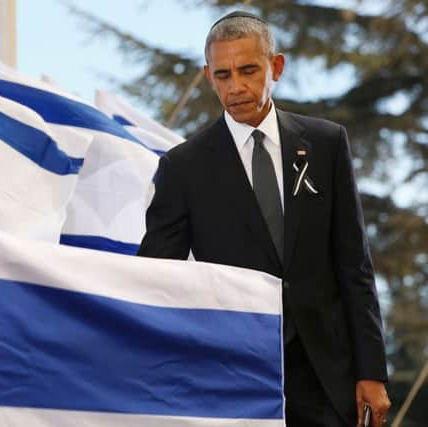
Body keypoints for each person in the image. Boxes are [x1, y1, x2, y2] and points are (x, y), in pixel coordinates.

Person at [137, 10, 391, 427]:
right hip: (234, 376)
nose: (235, 87)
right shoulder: (184, 167)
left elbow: (354, 267)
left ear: (276, 67)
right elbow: (157, 279)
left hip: (328, 377)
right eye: (223, 75)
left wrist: (371, 370)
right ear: (208, 76)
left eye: (248, 70)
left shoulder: (326, 144)